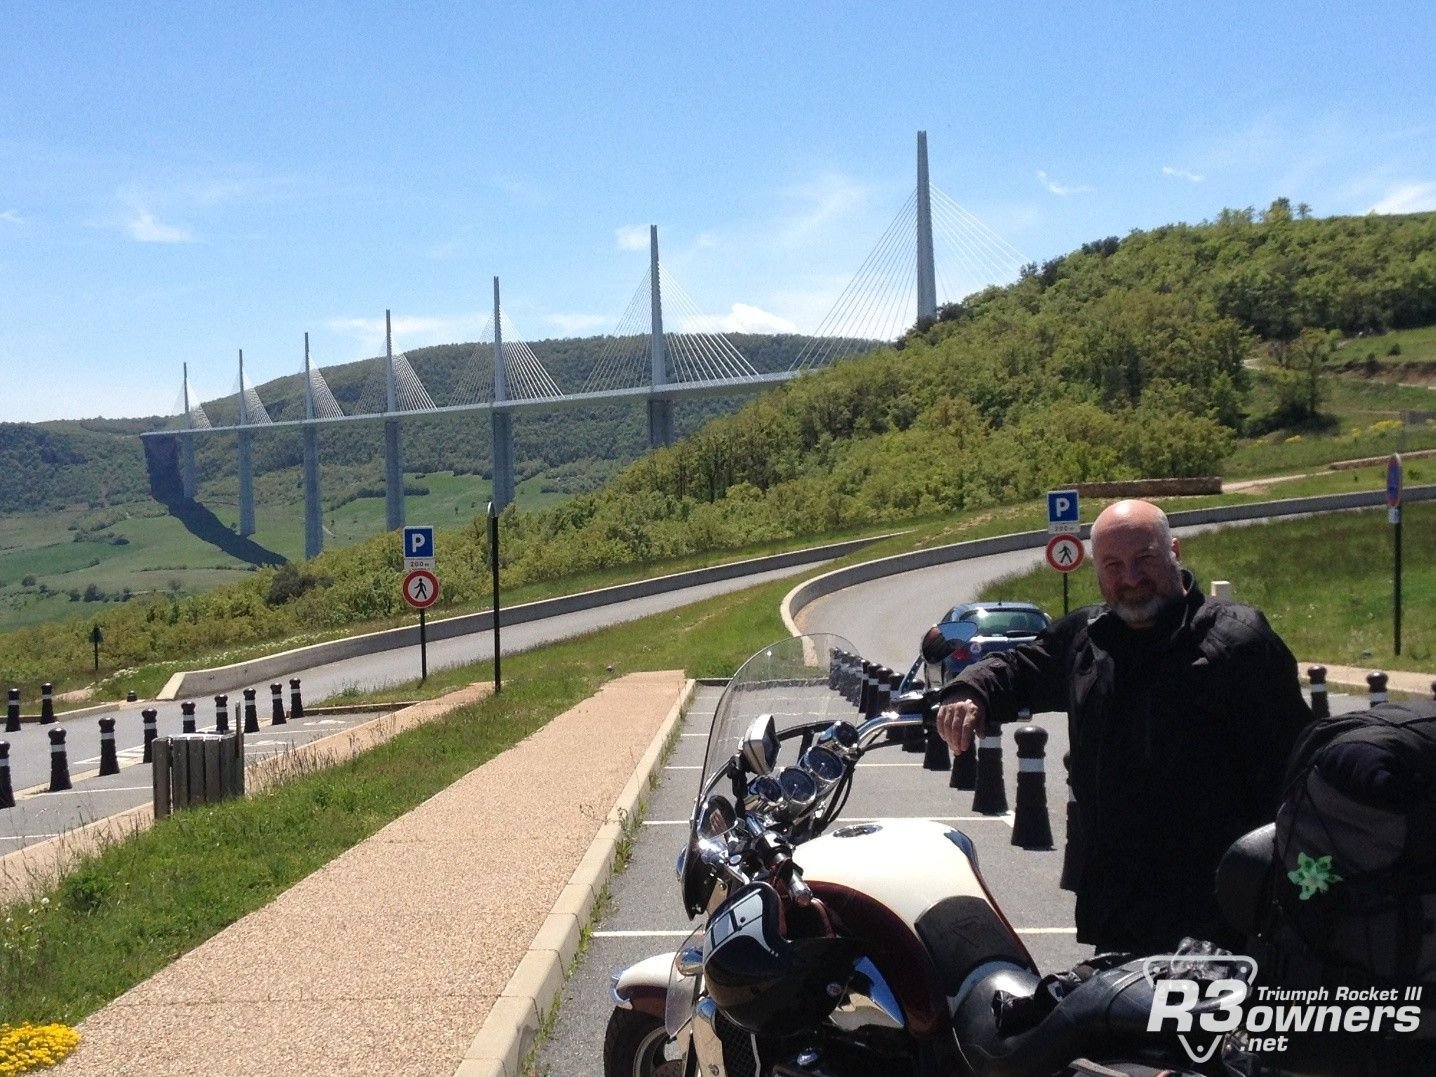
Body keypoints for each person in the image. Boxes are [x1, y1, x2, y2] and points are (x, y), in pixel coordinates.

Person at [936, 499, 1310, 955]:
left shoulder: (1237, 644)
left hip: (1219, 918)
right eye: (1113, 565)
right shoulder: (1088, 639)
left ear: (1175, 550)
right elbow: (1019, 668)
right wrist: (969, 690)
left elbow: (1292, 782)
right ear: (1097, 570)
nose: (1131, 578)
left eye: (1145, 559)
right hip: (1119, 913)